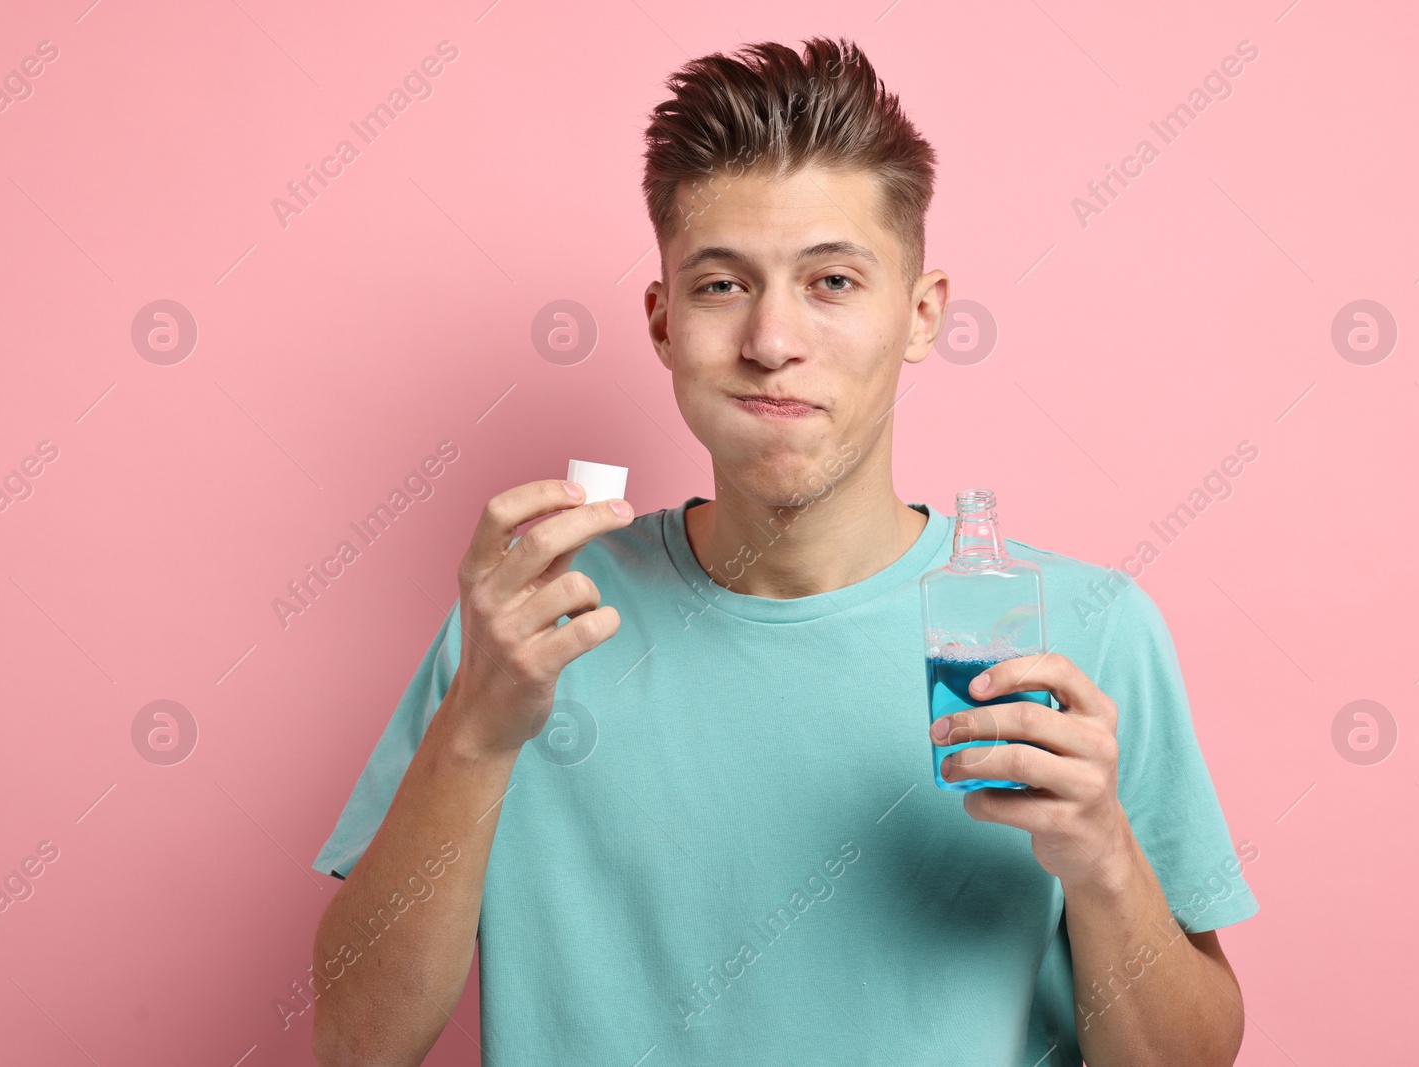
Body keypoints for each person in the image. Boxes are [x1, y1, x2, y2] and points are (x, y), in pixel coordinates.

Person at [309, 36, 1257, 1067]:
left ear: (922, 313)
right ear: (663, 321)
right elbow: (355, 1044)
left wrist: (1104, 861)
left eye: (833, 281)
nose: (770, 338)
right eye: (720, 285)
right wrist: (478, 732)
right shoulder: (531, 625)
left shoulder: (1083, 634)